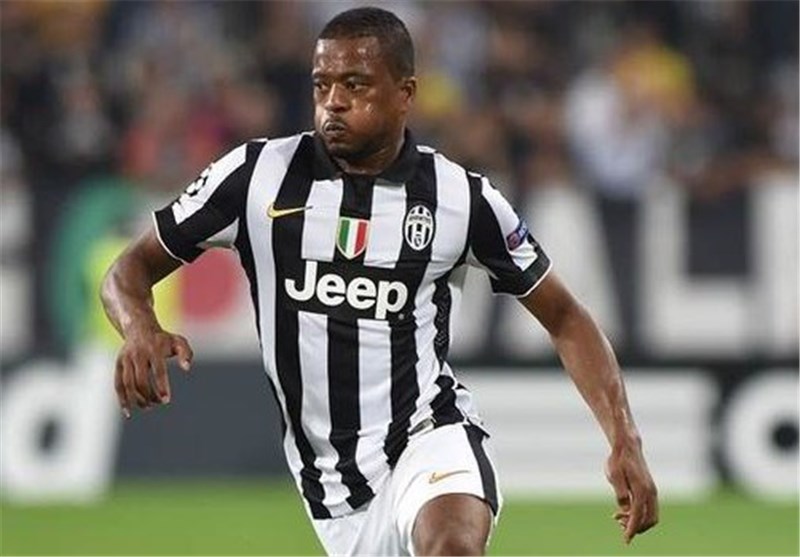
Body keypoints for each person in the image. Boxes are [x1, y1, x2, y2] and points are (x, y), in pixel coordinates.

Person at [100, 7, 658, 556]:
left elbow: (566, 317)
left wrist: (623, 437)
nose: (333, 101)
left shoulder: (460, 198)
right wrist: (139, 325)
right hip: (331, 490)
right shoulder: (257, 177)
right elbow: (127, 271)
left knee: (453, 546)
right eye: (322, 84)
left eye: (355, 84)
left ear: (405, 93)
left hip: (429, 436)